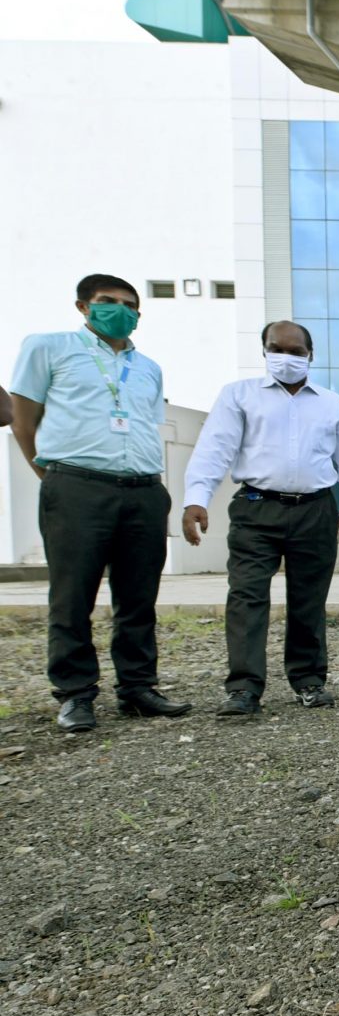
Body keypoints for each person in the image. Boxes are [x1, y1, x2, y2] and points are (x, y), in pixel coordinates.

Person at [8, 274, 192, 731]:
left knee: (138, 596)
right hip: (76, 485)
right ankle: (75, 693)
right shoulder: (47, 348)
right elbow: (21, 419)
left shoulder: (148, 367)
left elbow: (146, 425)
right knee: (72, 596)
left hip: (143, 490)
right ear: (82, 306)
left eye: (130, 304)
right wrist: (48, 474)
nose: (120, 310)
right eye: (108, 302)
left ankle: (137, 686)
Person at [181, 321, 339, 717]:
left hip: (315, 510)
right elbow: (214, 448)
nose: (286, 357)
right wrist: (196, 498)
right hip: (256, 508)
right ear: (264, 351)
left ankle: (308, 681)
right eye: (276, 348)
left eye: (296, 351)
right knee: (247, 595)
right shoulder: (239, 396)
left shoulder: (331, 404)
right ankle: (244, 688)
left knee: (308, 598)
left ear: (310, 355)